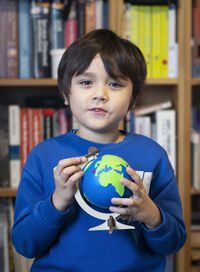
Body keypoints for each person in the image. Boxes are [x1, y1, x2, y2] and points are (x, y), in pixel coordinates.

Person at [11, 29, 186, 272]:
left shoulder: (153, 155)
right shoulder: (43, 156)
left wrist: (151, 215)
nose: (100, 95)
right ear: (65, 93)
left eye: (115, 84)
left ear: (133, 98)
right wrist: (57, 202)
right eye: (85, 82)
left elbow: (173, 243)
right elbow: (24, 244)